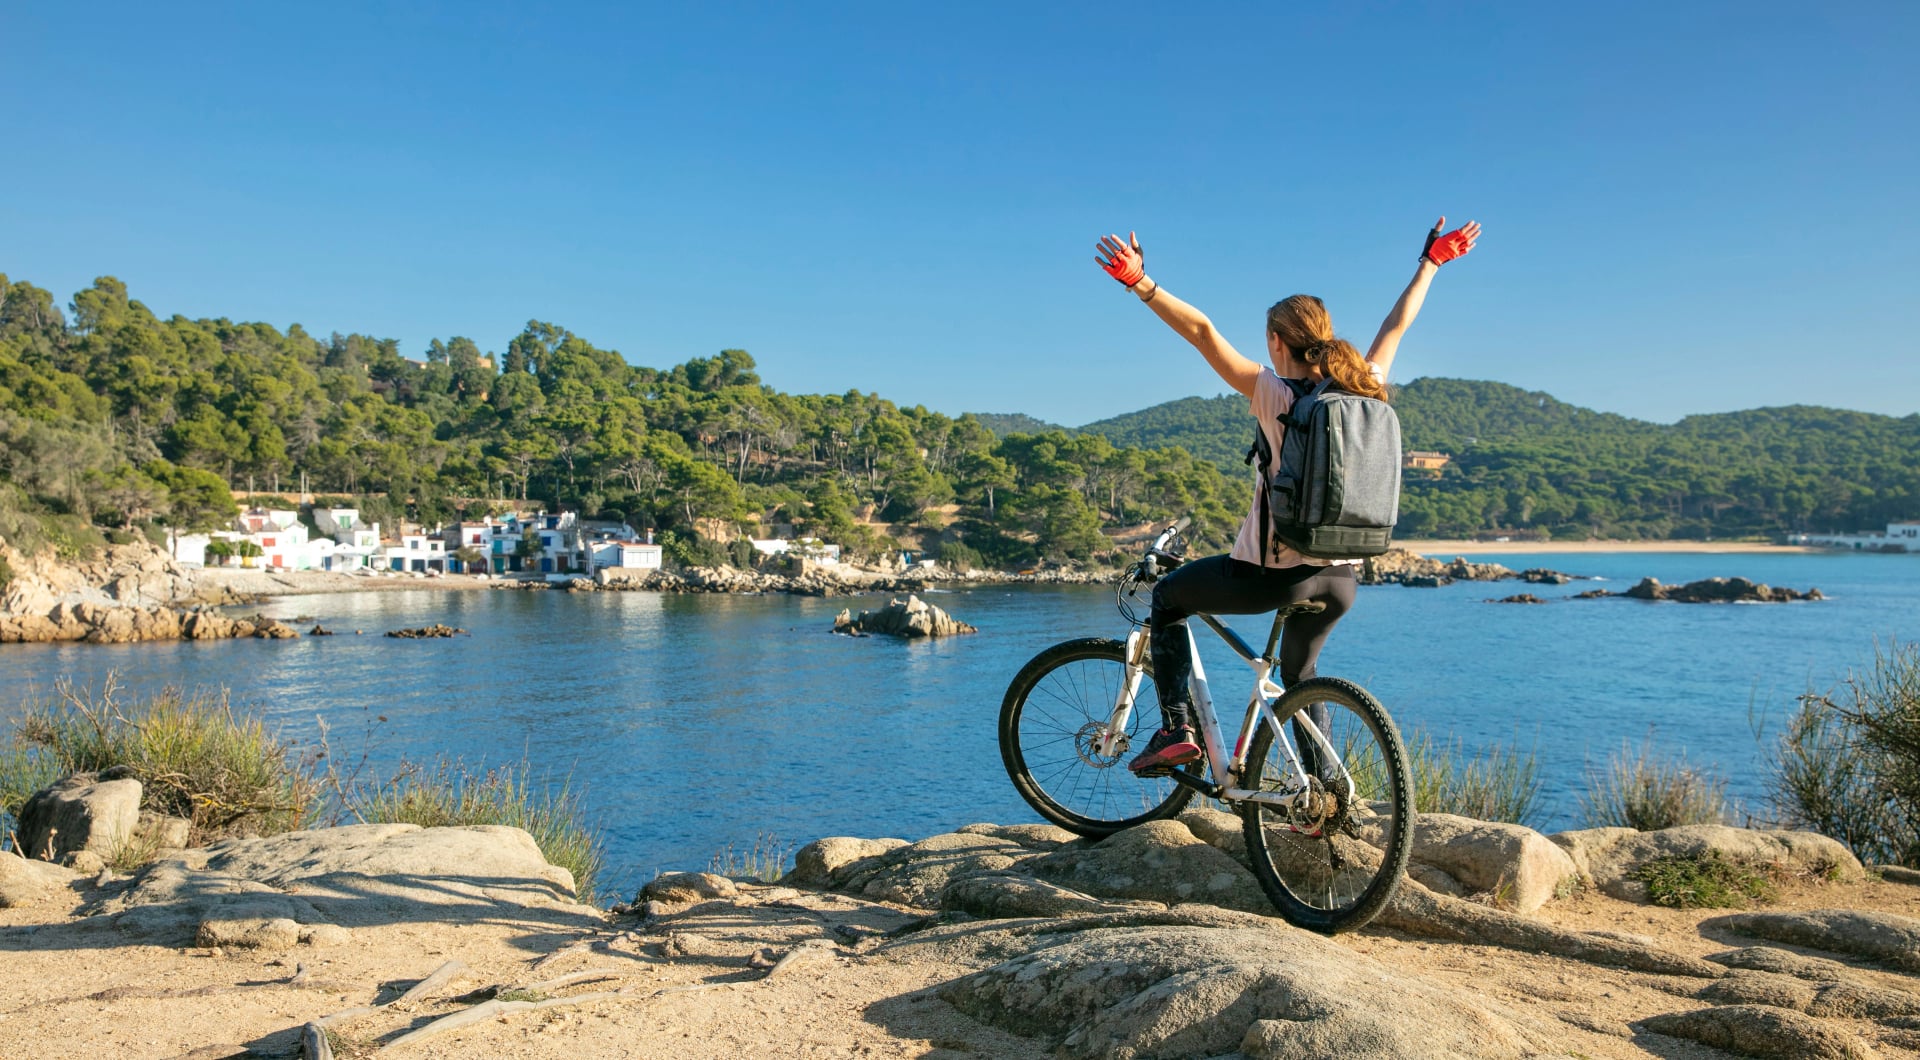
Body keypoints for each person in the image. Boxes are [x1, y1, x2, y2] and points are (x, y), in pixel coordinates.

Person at [1094, 218, 1481, 773]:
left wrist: (1141, 283)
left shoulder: (1272, 392)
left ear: (1277, 341)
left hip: (1274, 573)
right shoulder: (1361, 385)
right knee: (1301, 678)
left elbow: (1203, 332)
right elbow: (1396, 326)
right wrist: (1431, 263)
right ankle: (1324, 793)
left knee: (1168, 600)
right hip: (1342, 578)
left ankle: (1175, 729)